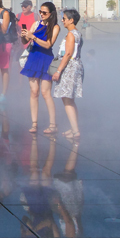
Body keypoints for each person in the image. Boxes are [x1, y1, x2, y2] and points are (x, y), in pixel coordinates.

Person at [20, 2, 60, 134]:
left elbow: (48, 44)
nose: (41, 15)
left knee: (45, 93)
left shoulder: (55, 27)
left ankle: (53, 124)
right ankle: (34, 123)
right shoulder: (36, 24)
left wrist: (33, 37)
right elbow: (26, 42)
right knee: (34, 92)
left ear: (51, 14)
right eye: (40, 12)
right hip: (33, 58)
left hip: (46, 59)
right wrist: (24, 37)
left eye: (45, 13)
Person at [51, 9, 83, 140]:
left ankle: (75, 131)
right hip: (75, 65)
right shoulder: (77, 33)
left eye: (64, 18)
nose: (62, 20)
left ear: (71, 20)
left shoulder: (71, 34)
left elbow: (68, 54)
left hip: (69, 67)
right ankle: (73, 128)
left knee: (67, 99)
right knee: (69, 99)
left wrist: (58, 70)